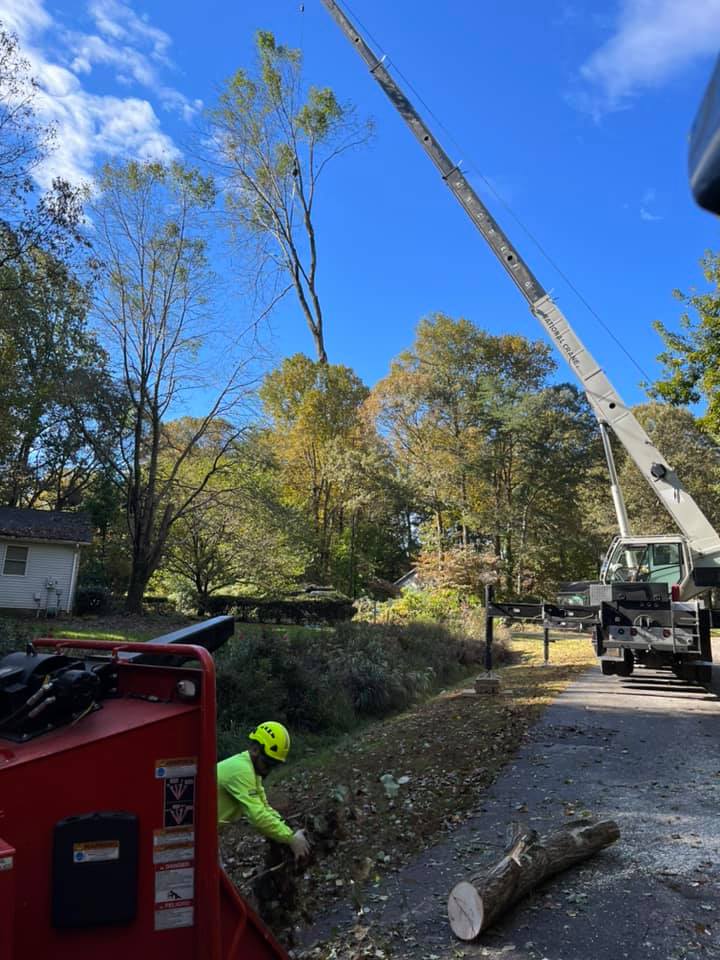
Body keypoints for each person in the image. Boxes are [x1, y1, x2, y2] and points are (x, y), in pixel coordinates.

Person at [217, 721, 310, 861]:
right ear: (255, 750)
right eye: (268, 764)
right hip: (190, 834)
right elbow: (257, 816)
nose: (268, 771)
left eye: (274, 766)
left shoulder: (252, 770)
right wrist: (290, 838)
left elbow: (264, 806)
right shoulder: (241, 770)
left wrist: (286, 827)